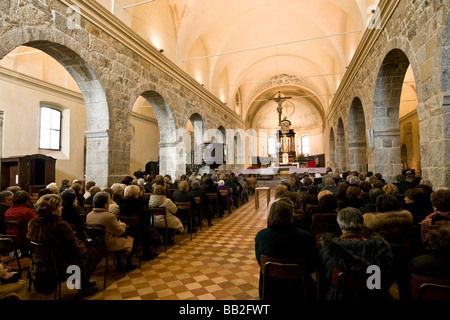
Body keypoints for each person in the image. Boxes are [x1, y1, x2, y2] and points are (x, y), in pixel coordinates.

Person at [27, 194, 102, 297]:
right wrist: (85, 246)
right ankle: (82, 286)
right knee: (93, 252)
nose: (62, 207)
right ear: (53, 209)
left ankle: (81, 282)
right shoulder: (59, 224)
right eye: (59, 206)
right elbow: (75, 247)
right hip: (58, 265)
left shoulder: (33, 223)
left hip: (38, 264)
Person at [317, 207, 394, 300]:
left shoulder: (328, 250)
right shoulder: (379, 248)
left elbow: (323, 281)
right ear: (361, 224)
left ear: (340, 226)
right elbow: (386, 279)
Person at [254, 200, 317, 300]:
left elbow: (260, 261)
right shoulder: (306, 237)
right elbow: (312, 264)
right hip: (299, 287)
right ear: (291, 215)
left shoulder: (261, 236)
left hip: (271, 286)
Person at [86, 192, 136, 272]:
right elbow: (120, 231)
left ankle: (119, 263)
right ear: (105, 204)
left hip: (96, 244)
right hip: (108, 243)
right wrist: (123, 224)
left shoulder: (89, 215)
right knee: (129, 238)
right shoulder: (109, 216)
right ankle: (128, 264)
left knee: (118, 238)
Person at [118, 185, 156, 260]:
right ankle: (146, 252)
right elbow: (145, 216)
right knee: (150, 231)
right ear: (136, 194)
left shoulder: (121, 203)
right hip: (138, 230)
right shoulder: (139, 204)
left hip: (126, 229)